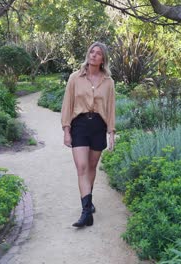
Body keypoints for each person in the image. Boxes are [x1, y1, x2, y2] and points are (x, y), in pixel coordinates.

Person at [61, 41, 116, 228]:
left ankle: (88, 200)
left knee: (92, 166)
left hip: (98, 126)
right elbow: (67, 105)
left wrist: (111, 133)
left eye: (98, 53)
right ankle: (86, 212)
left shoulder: (108, 82)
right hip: (80, 125)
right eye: (91, 51)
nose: (93, 55)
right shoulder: (75, 78)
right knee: (82, 167)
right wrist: (66, 130)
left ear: (103, 59)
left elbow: (111, 109)